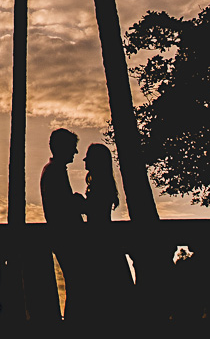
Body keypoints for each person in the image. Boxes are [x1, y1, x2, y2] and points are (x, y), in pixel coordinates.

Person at [80, 143, 135, 314]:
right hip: (105, 238)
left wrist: (79, 203)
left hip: (100, 239)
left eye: (88, 158)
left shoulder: (100, 185)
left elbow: (94, 210)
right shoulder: (104, 184)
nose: (84, 161)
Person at [41, 128, 85, 322]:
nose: (75, 152)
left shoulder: (53, 171)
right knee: (77, 285)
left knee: (75, 286)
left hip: (63, 237)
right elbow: (62, 207)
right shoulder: (55, 172)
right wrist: (76, 202)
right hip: (66, 238)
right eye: (72, 147)